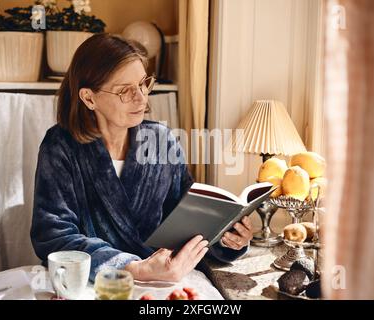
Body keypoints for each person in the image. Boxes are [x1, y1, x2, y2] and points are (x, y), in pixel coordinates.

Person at [30, 33, 253, 282]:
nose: (141, 97)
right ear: (89, 98)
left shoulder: (161, 140)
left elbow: (189, 220)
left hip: (164, 280)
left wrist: (227, 237)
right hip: (92, 283)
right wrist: (134, 268)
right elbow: (53, 235)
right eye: (125, 90)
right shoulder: (60, 146)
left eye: (143, 83)